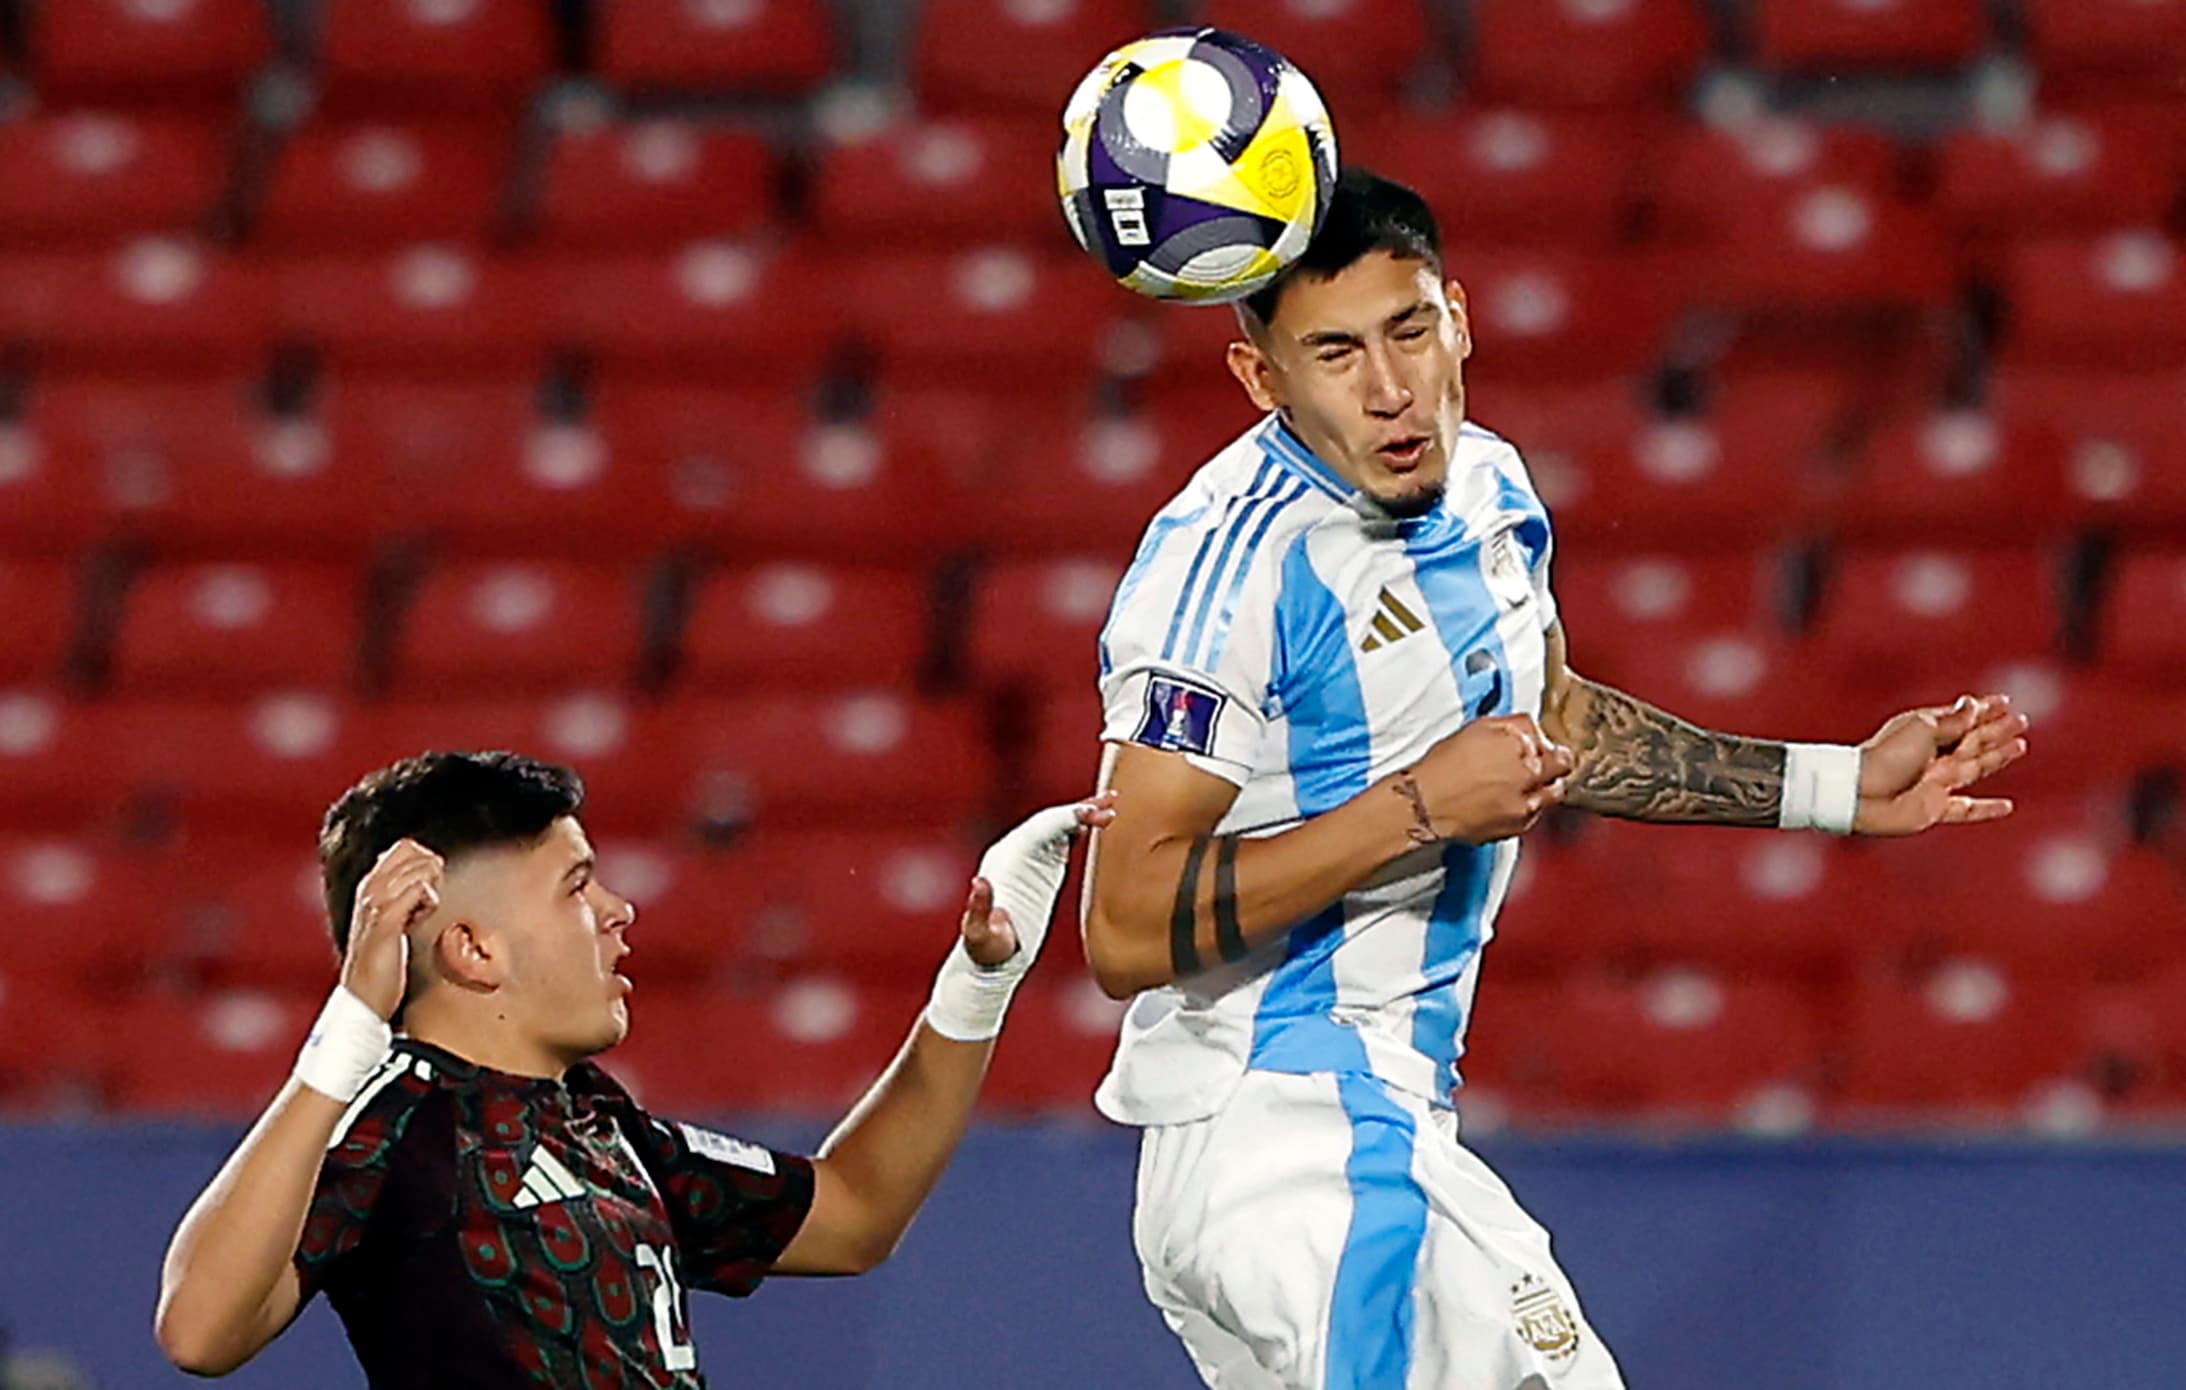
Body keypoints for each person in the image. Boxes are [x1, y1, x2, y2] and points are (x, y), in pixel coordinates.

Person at [1081, 168, 2030, 1390]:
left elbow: (1545, 716)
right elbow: (1122, 923)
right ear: (1261, 379)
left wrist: (1833, 785)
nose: (1388, 390)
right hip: (1286, 1142)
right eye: (1333, 354)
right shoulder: (1221, 569)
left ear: (1459, 317)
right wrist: (1415, 807)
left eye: (1408, 331)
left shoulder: (1486, 486)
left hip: (1393, 1125)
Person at [155, 749, 1111, 1386]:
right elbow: (199, 1329)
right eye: (577, 885)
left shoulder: (599, 1125)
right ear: (473, 950)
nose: (620, 909)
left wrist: (982, 978)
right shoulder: (392, 1122)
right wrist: (352, 1025)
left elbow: (856, 1212)